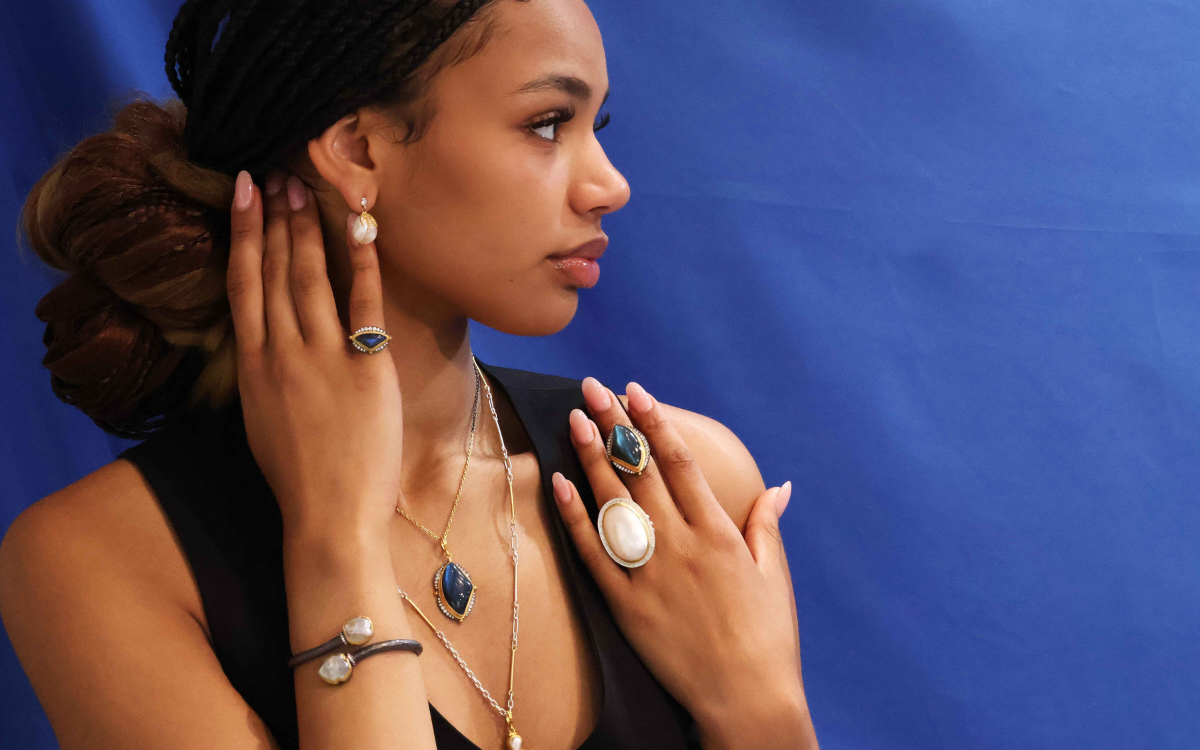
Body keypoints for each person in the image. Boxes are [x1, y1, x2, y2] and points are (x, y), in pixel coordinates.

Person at [0, 1, 818, 748]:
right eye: (547, 123)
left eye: (593, 125)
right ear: (358, 151)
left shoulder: (680, 490)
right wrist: (337, 541)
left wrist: (762, 712)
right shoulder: (95, 562)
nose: (610, 184)